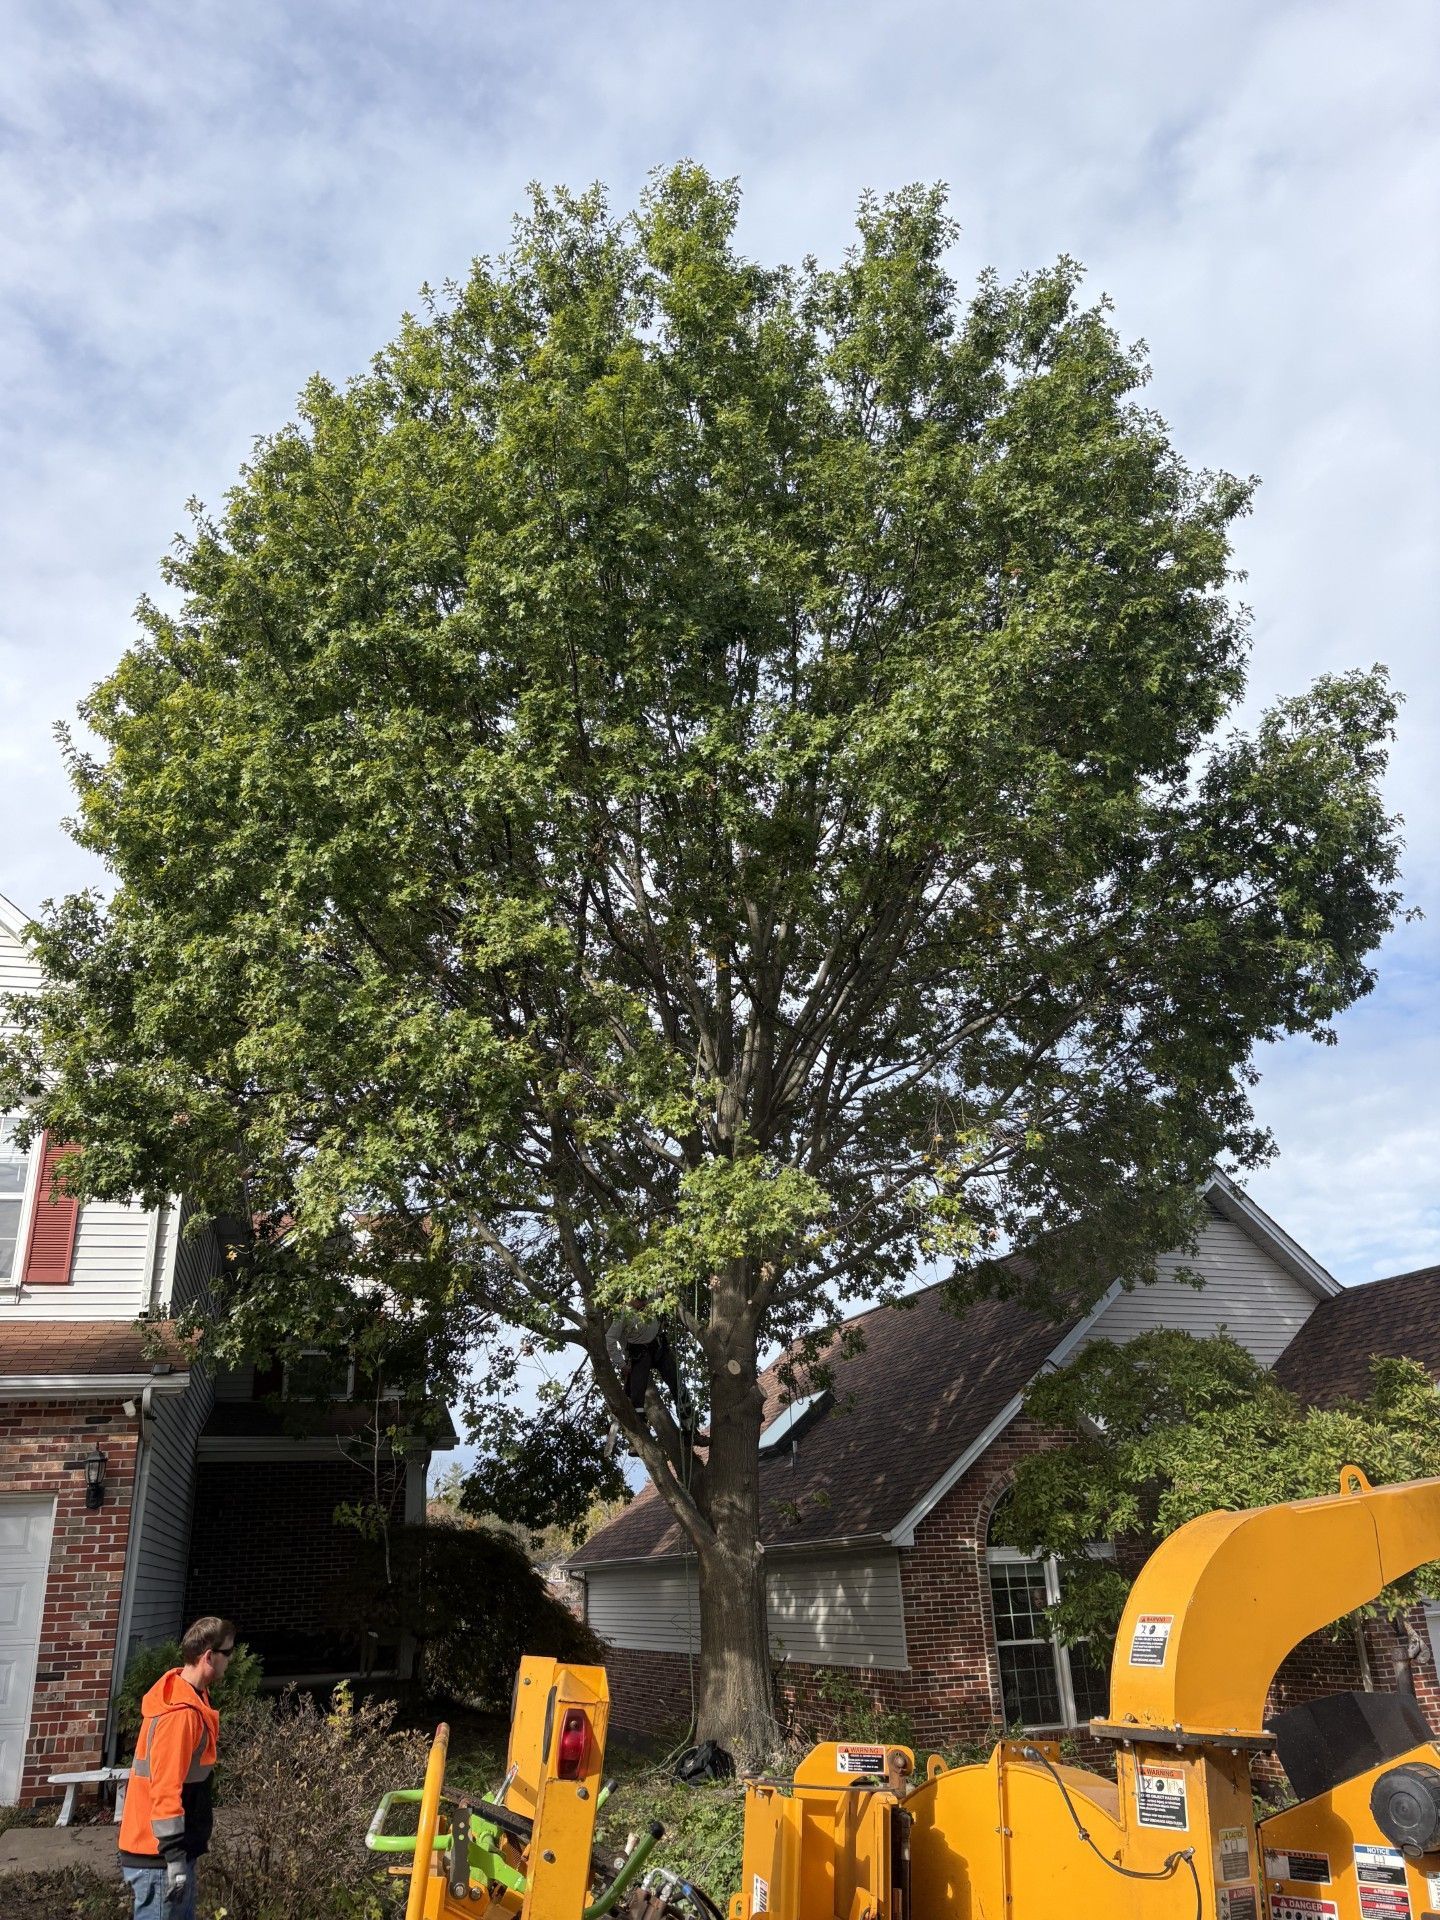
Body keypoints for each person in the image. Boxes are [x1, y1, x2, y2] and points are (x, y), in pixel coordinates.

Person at [118, 1615, 233, 1916]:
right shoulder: (180, 1715)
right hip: (158, 1857)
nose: (230, 1661)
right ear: (209, 1656)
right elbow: (165, 1786)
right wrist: (174, 1857)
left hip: (173, 1852)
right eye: (228, 1653)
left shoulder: (195, 1698)